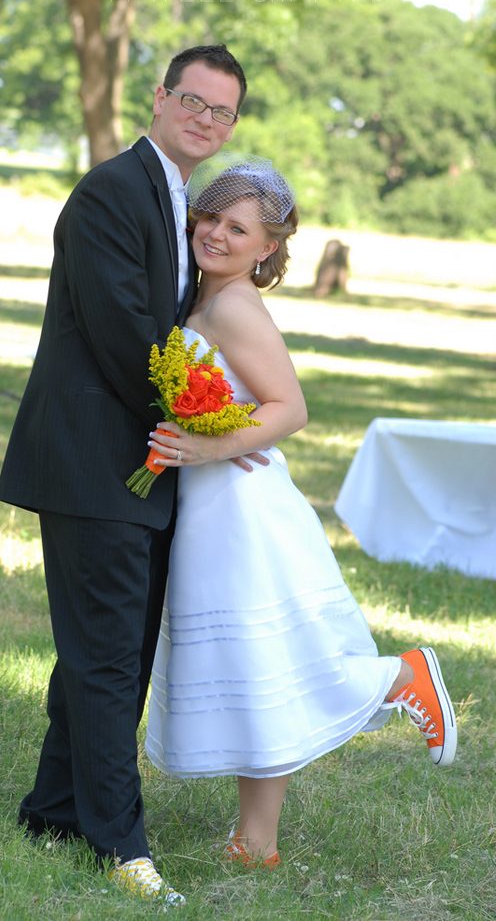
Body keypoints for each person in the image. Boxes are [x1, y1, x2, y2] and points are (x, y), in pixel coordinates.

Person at [0, 45, 273, 906]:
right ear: (159, 98)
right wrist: (217, 423)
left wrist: (213, 431)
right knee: (112, 657)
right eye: (192, 99)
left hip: (136, 468)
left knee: (104, 650)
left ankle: (54, 810)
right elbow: (127, 339)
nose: (204, 118)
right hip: (92, 463)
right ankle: (122, 844)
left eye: (220, 111)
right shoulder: (112, 191)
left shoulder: (178, 199)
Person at [144, 157, 457, 868]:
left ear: (267, 248)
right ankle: (258, 843)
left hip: (242, 509)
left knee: (269, 658)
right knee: (259, 668)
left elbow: (291, 407)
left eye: (238, 227)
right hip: (213, 508)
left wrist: (202, 445)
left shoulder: (231, 306)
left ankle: (399, 676)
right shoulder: (204, 296)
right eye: (211, 218)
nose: (216, 234)